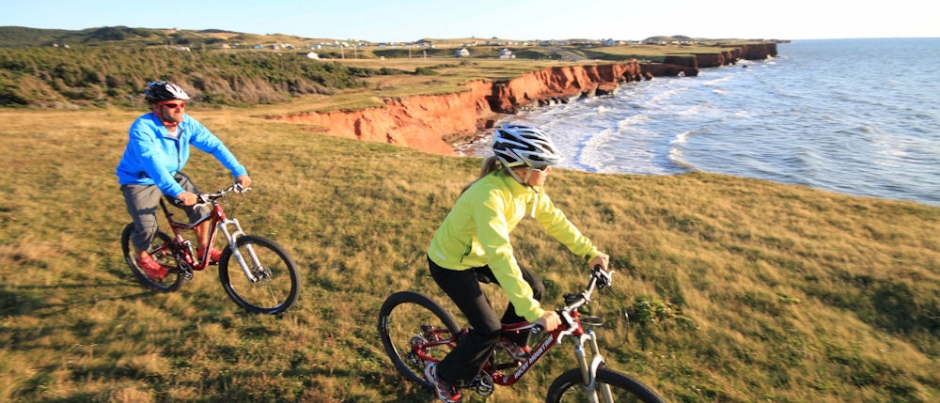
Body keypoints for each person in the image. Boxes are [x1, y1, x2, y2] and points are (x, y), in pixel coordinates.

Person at [423, 124, 610, 402]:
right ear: (520, 167)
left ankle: (510, 340)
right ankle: (443, 377)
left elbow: (554, 220)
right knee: (488, 330)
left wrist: (589, 252)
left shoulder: (526, 188)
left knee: (534, 286)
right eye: (543, 166)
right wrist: (532, 311)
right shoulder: (489, 195)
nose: (549, 171)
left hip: (479, 254)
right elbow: (500, 254)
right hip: (451, 262)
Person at [117, 81, 251, 281]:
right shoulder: (142, 128)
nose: (179, 109)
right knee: (147, 228)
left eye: (182, 104)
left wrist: (239, 171)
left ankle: (203, 248)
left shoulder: (187, 124)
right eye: (172, 105)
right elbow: (152, 163)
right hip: (139, 180)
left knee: (202, 210)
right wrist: (178, 192)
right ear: (157, 107)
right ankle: (143, 257)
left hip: (170, 174)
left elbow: (214, 145)